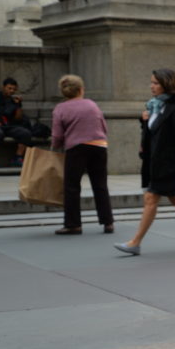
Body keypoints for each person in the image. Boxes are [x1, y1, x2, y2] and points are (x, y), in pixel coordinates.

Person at [114, 69, 175, 255]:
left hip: (168, 165)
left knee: (150, 199)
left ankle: (135, 242)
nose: (151, 86)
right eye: (151, 82)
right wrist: (143, 121)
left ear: (166, 84)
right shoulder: (153, 106)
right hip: (153, 162)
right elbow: (152, 134)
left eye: (155, 83)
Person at [50, 75, 114, 235]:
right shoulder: (92, 105)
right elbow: (103, 126)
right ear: (81, 89)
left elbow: (57, 135)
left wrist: (55, 147)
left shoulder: (60, 108)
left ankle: (73, 224)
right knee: (100, 184)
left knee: (72, 186)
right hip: (98, 146)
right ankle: (107, 222)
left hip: (76, 147)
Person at [0, 77, 33, 167]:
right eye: (9, 88)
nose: (11, 91)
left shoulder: (12, 101)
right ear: (3, 87)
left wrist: (18, 105)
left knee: (25, 133)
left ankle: (18, 157)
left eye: (14, 89)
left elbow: (18, 118)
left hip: (7, 125)